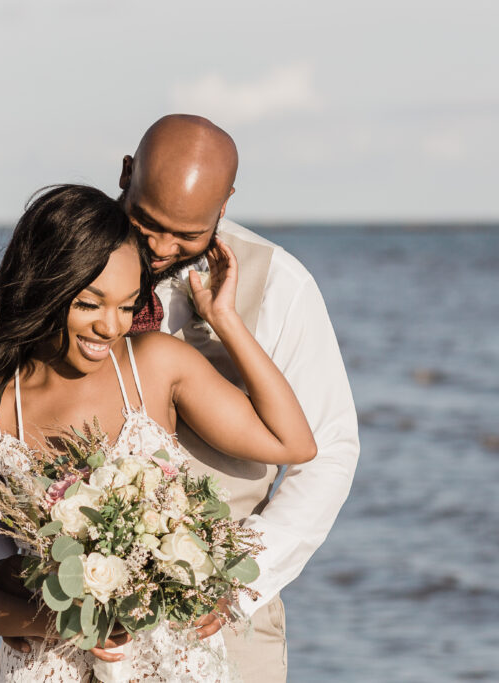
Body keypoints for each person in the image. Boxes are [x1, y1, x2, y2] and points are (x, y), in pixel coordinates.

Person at [0, 184, 318, 681]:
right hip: (50, 666)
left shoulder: (154, 366)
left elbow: (293, 443)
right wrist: (46, 621)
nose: (111, 326)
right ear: (45, 287)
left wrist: (225, 319)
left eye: (128, 306)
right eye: (91, 304)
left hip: (175, 664)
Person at [110, 114, 361, 681]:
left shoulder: (280, 284)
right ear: (126, 173)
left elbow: (329, 452)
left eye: (187, 235)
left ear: (223, 206)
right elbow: (9, 415)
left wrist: (238, 581)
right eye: (147, 223)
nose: (160, 248)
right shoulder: (59, 264)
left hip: (222, 620)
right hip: (81, 613)